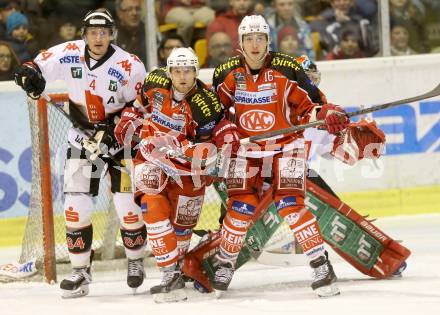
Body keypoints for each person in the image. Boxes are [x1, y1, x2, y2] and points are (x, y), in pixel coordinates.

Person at [208, 15, 350, 297]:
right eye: (249, 39)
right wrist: (224, 132)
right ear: (241, 42)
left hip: (287, 147)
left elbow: (310, 107)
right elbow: (214, 114)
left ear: (268, 41)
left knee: (290, 205)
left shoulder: (287, 69)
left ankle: (321, 265)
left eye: (260, 38)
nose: (255, 44)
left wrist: (326, 115)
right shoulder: (226, 73)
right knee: (241, 206)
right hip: (247, 150)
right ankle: (225, 261)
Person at [13, 8, 148, 298]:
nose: (98, 38)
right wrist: (29, 73)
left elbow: (142, 108)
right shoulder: (69, 52)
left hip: (120, 142)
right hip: (80, 140)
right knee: (76, 205)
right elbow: (38, 65)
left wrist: (115, 134)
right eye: (92, 32)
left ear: (112, 34)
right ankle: (80, 271)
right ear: (84, 34)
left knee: (127, 204)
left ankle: (136, 260)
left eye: (104, 32)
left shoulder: (130, 65)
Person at [114, 47, 233, 302]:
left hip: (187, 172)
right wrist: (128, 119)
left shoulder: (206, 103)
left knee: (181, 229)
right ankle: (169, 275)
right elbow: (137, 107)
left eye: (188, 71)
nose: (182, 76)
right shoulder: (155, 81)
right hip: (151, 159)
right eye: (177, 71)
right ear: (168, 72)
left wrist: (206, 154)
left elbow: (209, 145)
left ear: (196, 72)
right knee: (152, 208)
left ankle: (177, 269)